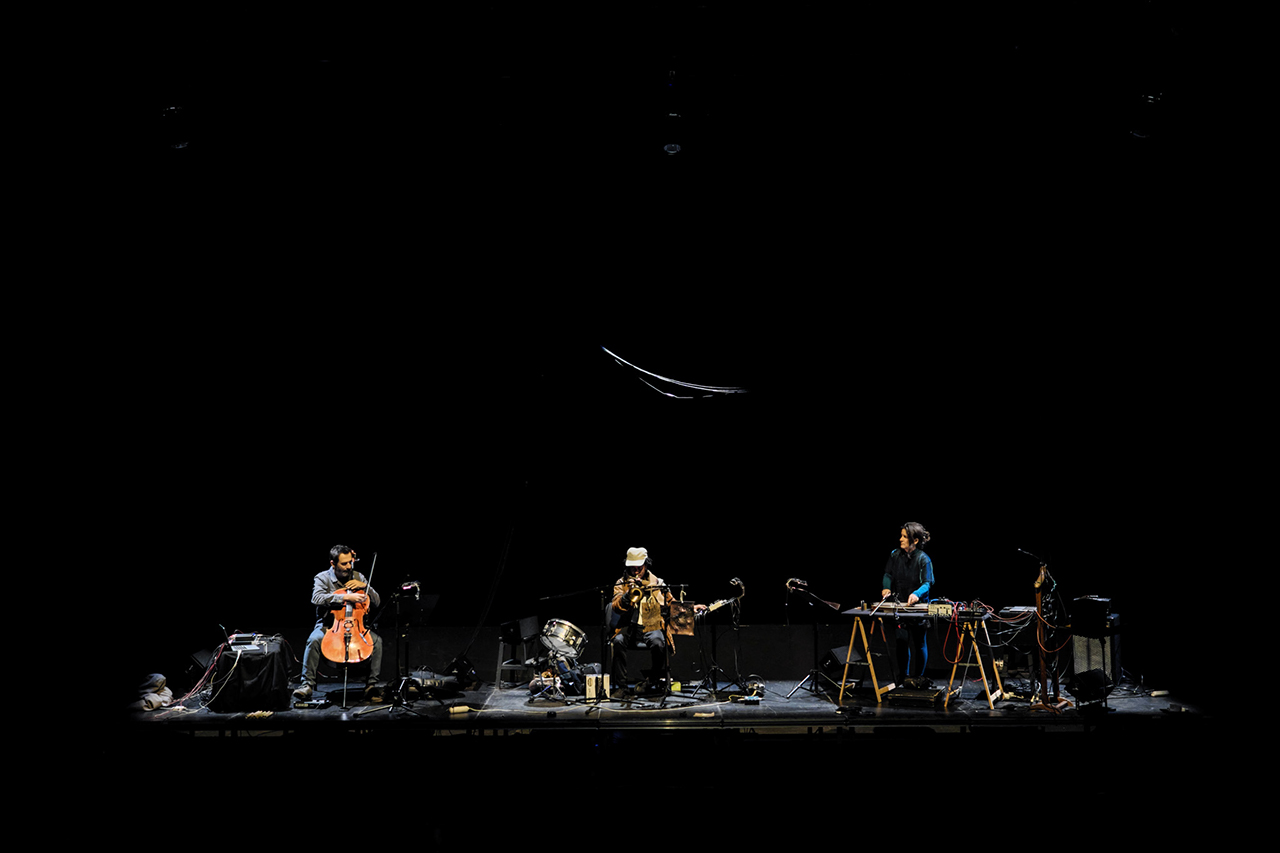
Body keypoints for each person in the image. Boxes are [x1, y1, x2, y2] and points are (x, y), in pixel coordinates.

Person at [293, 544, 384, 702]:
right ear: (333, 563)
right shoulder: (322, 578)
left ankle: (371, 685)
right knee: (313, 640)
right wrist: (344, 597)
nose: (348, 567)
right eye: (344, 563)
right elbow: (317, 598)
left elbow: (376, 602)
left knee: (377, 642)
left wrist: (366, 587)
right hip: (329, 626)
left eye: (350, 562)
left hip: (355, 626)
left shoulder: (358, 577)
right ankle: (306, 684)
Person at [608, 547, 703, 695]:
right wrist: (627, 595)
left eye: (639, 568)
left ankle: (652, 679)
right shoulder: (621, 583)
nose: (635, 572)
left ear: (646, 565)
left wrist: (690, 609)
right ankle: (622, 687)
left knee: (658, 642)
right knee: (618, 641)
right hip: (629, 626)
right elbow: (616, 606)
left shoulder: (657, 583)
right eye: (632, 568)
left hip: (650, 624)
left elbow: (672, 603)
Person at [880, 522, 935, 681]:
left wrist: (917, 594)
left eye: (905, 537)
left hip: (918, 608)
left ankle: (918, 678)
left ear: (915, 540)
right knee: (901, 643)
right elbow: (888, 574)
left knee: (919, 644)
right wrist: (886, 587)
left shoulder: (923, 559)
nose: (901, 539)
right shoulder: (895, 555)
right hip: (900, 606)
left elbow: (927, 582)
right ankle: (903, 677)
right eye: (901, 536)